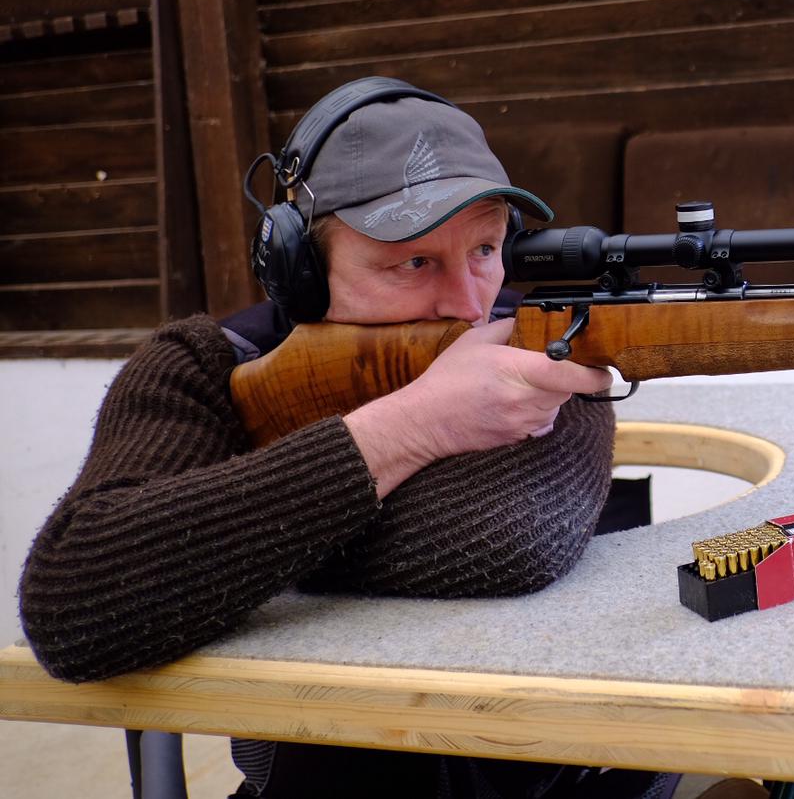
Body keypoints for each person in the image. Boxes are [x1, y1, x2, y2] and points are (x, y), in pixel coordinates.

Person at [18, 78, 669, 799]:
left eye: (484, 248)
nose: (469, 300)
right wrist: (413, 424)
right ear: (302, 271)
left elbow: (505, 538)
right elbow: (76, 603)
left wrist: (209, 560)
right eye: (413, 262)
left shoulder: (545, 340)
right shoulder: (210, 364)